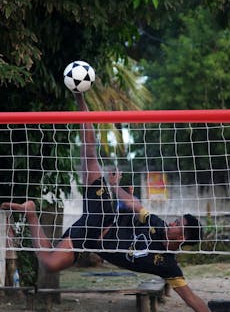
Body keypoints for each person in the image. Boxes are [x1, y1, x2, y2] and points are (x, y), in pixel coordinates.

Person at [1, 93, 210, 312]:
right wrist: (114, 187)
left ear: (183, 237)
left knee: (50, 263)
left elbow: (192, 298)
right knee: (89, 154)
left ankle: (31, 214)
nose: (172, 223)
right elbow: (134, 204)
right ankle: (80, 99)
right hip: (102, 215)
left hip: (90, 240)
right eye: (176, 220)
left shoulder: (169, 267)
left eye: (178, 225)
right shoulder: (156, 224)